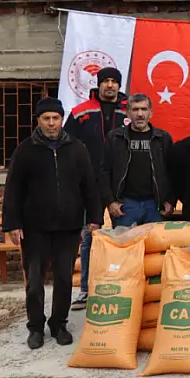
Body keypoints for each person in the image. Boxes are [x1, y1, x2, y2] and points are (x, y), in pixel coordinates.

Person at [3, 98, 101, 349]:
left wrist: (94, 217)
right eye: (45, 118)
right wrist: (12, 224)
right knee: (34, 281)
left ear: (61, 119)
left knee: (65, 279)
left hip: (68, 227)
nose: (50, 123)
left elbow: (89, 184)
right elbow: (13, 189)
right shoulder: (25, 150)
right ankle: (35, 327)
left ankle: (59, 324)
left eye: (55, 118)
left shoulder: (76, 148)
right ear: (38, 120)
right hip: (34, 227)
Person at [65, 66, 126, 311]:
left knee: (123, 236)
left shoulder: (129, 110)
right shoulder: (81, 112)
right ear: (98, 84)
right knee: (90, 236)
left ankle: (121, 285)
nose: (110, 85)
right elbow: (67, 145)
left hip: (120, 183)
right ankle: (86, 290)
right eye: (106, 81)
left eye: (114, 81)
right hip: (88, 184)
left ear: (119, 85)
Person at [99, 94, 175, 228]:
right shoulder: (115, 137)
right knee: (126, 247)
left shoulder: (163, 138)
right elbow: (104, 172)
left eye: (144, 109)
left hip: (155, 205)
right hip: (125, 206)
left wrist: (171, 201)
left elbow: (173, 172)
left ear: (151, 112)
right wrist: (110, 202)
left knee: (154, 248)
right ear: (127, 113)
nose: (140, 114)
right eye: (135, 110)